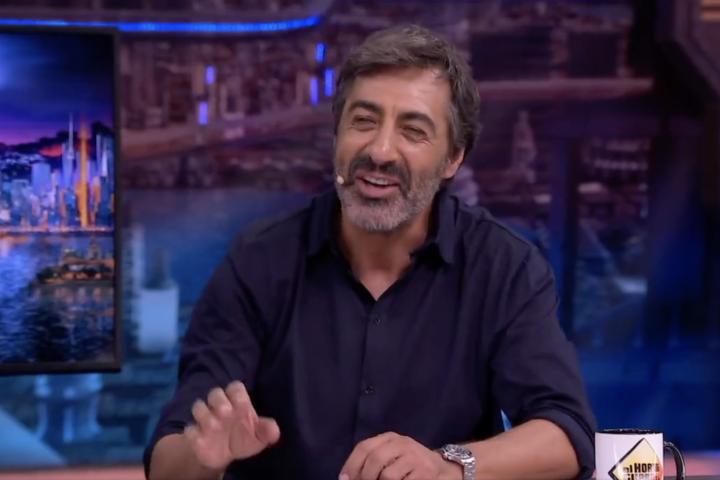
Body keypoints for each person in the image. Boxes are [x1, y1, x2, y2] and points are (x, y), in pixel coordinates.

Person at [145, 24, 596, 480]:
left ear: (453, 158)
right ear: (336, 134)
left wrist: (448, 465)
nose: (380, 151)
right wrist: (204, 458)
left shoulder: (503, 267)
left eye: (413, 131)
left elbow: (567, 434)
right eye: (363, 121)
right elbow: (168, 461)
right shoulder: (258, 262)